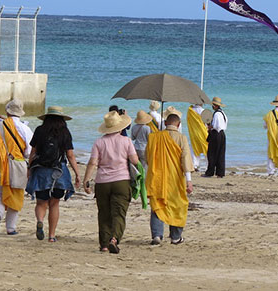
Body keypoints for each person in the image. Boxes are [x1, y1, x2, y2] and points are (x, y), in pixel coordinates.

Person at [83, 111, 139, 254]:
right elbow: (134, 161)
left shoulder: (99, 142)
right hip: (121, 181)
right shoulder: (126, 141)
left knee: (104, 213)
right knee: (119, 213)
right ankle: (114, 239)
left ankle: (104, 245)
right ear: (120, 127)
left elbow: (92, 163)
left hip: (102, 182)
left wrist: (86, 180)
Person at [26, 106, 81, 243]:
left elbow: (33, 152)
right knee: (54, 204)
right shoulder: (64, 132)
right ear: (62, 119)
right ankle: (51, 236)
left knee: (41, 202)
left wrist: (29, 168)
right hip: (59, 172)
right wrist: (77, 174)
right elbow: (70, 155)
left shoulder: (40, 130)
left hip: (41, 171)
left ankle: (40, 221)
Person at [0, 99, 33, 235]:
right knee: (16, 195)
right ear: (20, 113)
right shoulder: (25, 128)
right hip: (18, 166)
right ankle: (11, 228)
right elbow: (29, 150)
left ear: (7, 111)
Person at [146, 110, 194, 245]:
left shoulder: (154, 137)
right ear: (178, 125)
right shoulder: (181, 138)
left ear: (165, 123)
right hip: (175, 178)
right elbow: (185, 159)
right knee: (178, 205)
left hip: (158, 176)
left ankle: (157, 235)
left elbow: (148, 157)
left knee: (157, 204)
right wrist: (189, 181)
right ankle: (175, 237)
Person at [202, 97, 228, 178]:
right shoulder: (223, 113)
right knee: (220, 154)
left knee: (212, 154)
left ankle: (210, 172)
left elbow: (216, 126)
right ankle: (220, 173)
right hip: (222, 134)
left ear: (215, 105)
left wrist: (210, 127)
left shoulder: (216, 114)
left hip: (216, 134)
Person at [187, 103, 208, 171]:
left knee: (194, 148)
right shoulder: (202, 111)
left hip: (193, 132)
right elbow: (206, 122)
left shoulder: (190, 111)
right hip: (202, 132)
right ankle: (208, 165)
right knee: (206, 148)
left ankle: (194, 165)